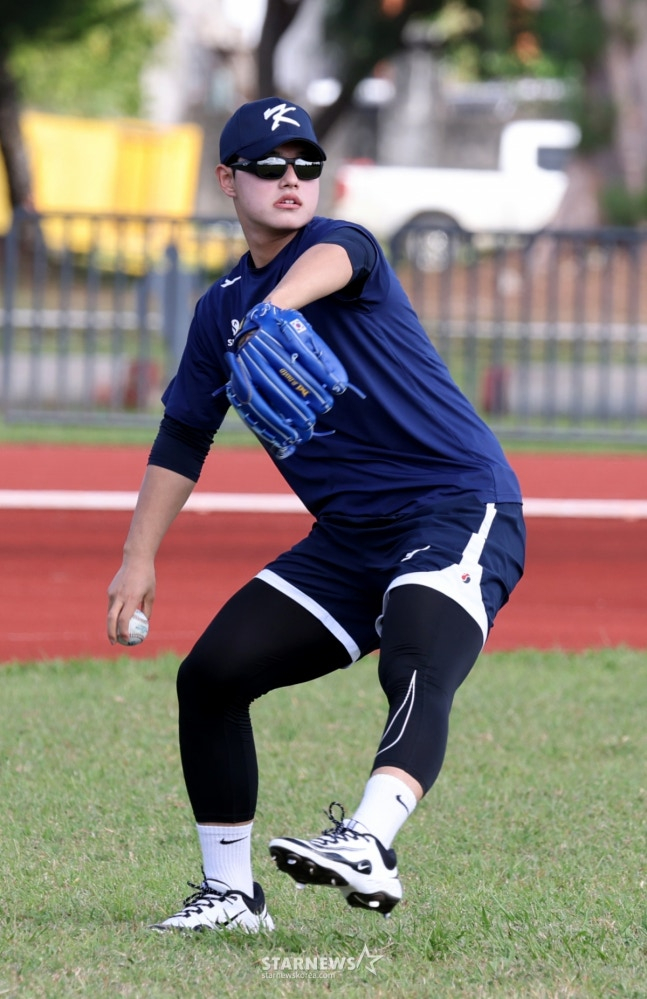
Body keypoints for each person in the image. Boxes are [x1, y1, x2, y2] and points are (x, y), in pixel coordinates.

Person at [107, 96, 525, 932]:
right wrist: (137, 557)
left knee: (413, 651)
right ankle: (231, 894)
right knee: (212, 676)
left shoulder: (342, 246)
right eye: (268, 165)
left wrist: (277, 310)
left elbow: (325, 269)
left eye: (305, 163)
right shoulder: (217, 309)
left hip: (455, 502)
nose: (291, 177)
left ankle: (369, 839)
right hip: (347, 538)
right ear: (227, 179)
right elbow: (183, 435)